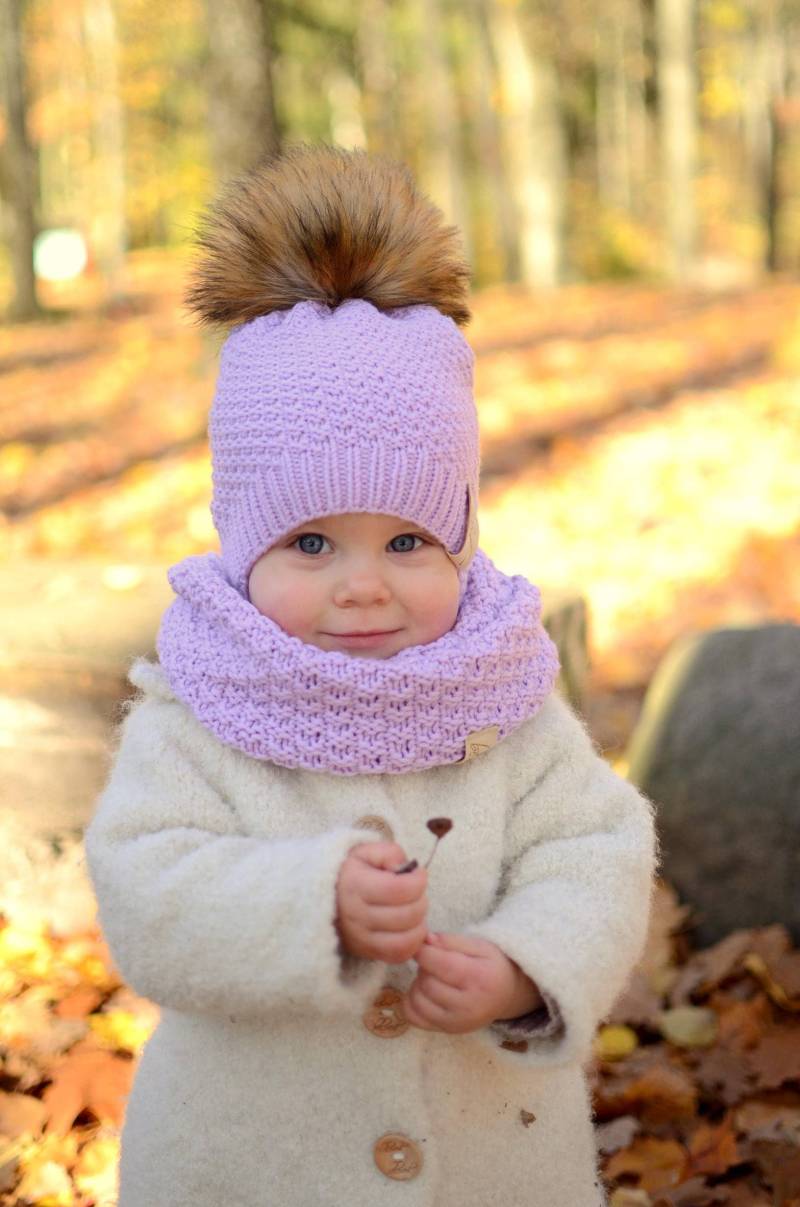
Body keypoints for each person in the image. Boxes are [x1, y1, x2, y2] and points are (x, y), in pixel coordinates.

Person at [84, 143, 658, 1207]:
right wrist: (306, 904)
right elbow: (145, 889)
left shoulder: (504, 700)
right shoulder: (196, 713)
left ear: (461, 540)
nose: (362, 586)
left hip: (491, 1162)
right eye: (310, 545)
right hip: (248, 1166)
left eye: (406, 543)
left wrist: (525, 964)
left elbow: (596, 848)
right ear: (241, 544)